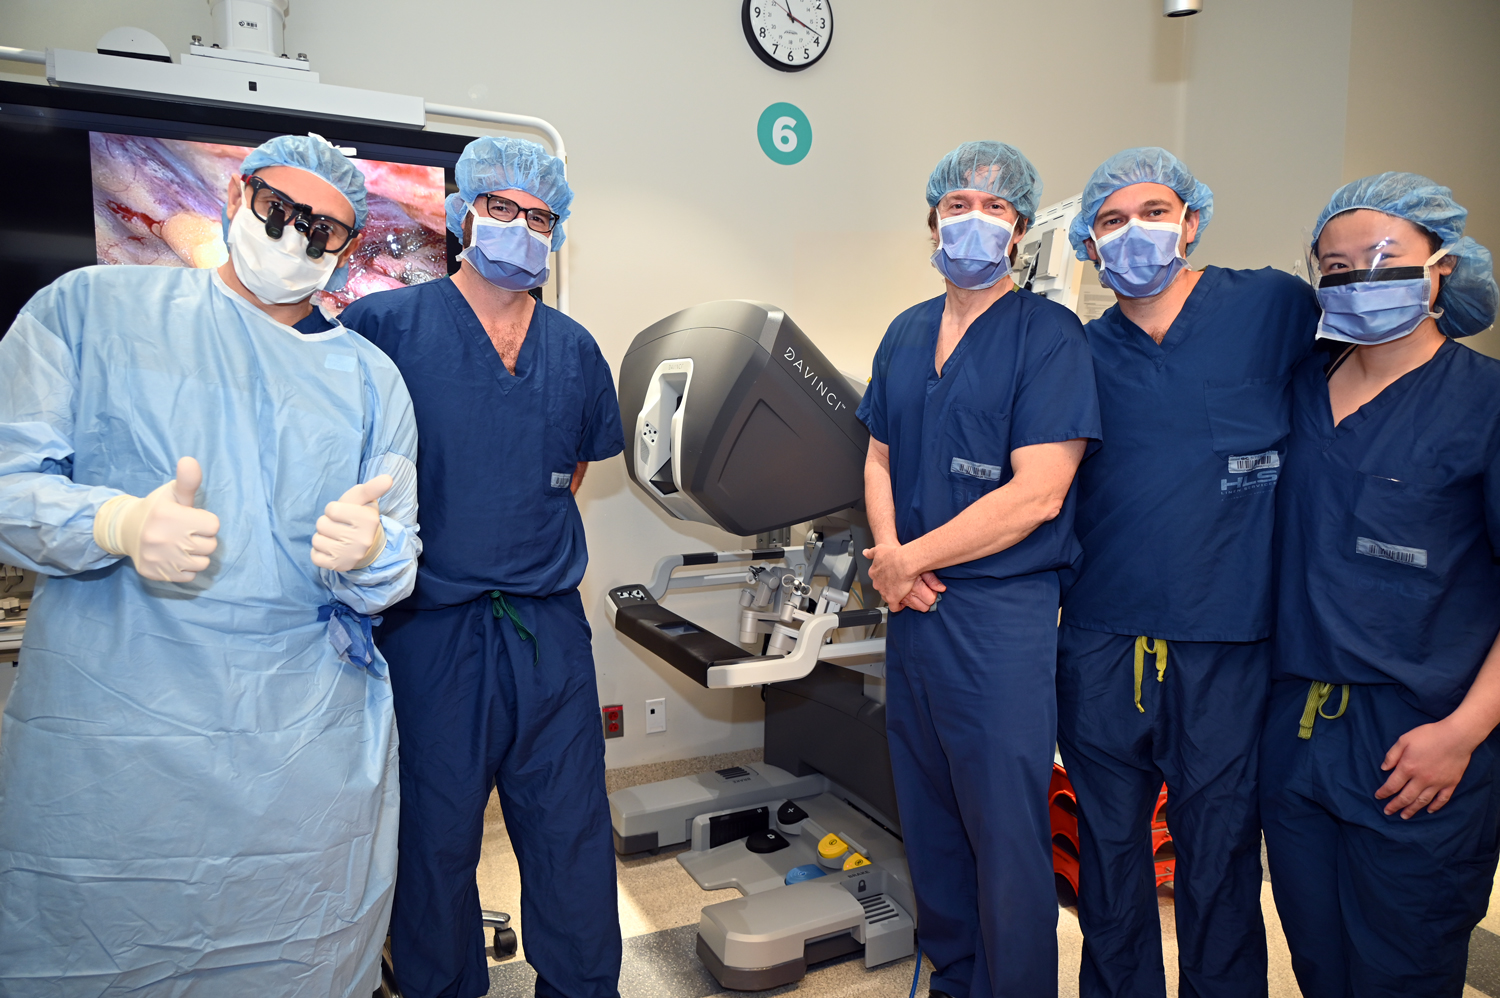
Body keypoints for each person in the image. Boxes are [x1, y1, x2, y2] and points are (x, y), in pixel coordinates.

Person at [0, 133, 419, 995]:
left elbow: (396, 557)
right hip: (118, 750)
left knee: (296, 955)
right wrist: (112, 520)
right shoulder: (90, 311)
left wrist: (370, 558)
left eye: (326, 230)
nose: (298, 237)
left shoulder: (370, 381)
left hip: (299, 751)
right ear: (237, 195)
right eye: (280, 210)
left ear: (346, 252)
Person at [338, 135, 625, 998]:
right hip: (430, 628)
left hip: (547, 631)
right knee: (433, 840)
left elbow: (566, 472)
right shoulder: (383, 328)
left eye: (540, 216)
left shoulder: (573, 351)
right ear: (463, 216)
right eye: (501, 209)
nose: (522, 228)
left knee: (571, 833)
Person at [1055, 147, 1318, 998]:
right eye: (1112, 221)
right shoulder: (1080, 352)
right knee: (1110, 852)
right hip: (1103, 636)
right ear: (1090, 247)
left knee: (1222, 851)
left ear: (1192, 221)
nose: (1135, 234)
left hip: (1229, 638)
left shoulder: (1273, 307)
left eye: (1155, 212)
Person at [857, 140, 1101, 998]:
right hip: (914, 612)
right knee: (928, 822)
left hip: (999, 618)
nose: (975, 219)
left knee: (1004, 837)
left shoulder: (1050, 337)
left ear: (1022, 231)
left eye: (996, 208)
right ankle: (958, 979)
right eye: (958, 203)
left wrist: (905, 561)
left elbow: (1037, 494)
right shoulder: (906, 330)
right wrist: (893, 561)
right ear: (932, 220)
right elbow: (880, 456)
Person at [1262, 173, 1500, 997]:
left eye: (1384, 257)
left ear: (1443, 266)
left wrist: (1464, 732)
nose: (1360, 279)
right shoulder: (1298, 392)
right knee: (1321, 962)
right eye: (1336, 265)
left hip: (1419, 735)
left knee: (1402, 968)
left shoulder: (1487, 404)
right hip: (1294, 729)